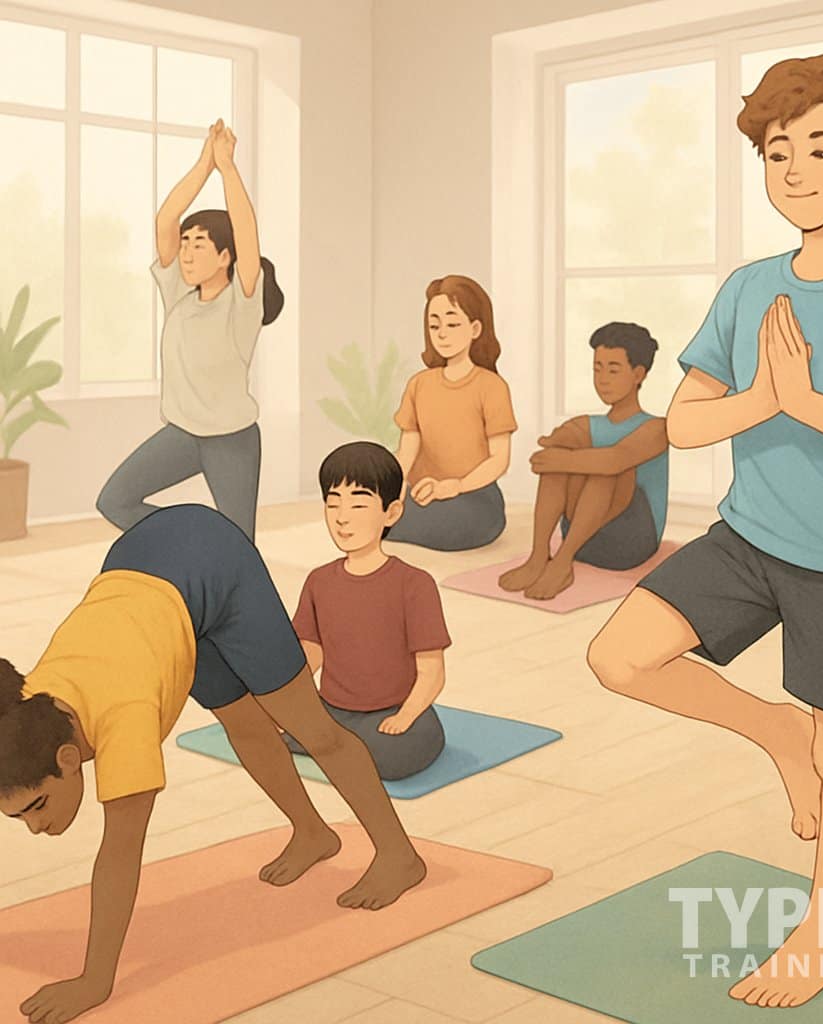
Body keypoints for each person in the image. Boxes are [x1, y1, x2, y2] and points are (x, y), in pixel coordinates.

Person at [586, 52, 823, 1008]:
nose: (794, 170)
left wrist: (806, 400)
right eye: (778, 152)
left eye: (819, 149)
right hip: (746, 538)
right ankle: (774, 733)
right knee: (619, 655)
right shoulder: (750, 287)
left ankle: (821, 937)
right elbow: (686, 419)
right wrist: (766, 396)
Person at [0, 504, 424, 1024]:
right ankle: (314, 832)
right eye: (19, 817)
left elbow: (120, 853)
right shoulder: (24, 708)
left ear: (69, 759)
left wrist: (94, 982)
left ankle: (401, 856)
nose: (37, 826)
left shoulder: (124, 717)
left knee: (312, 729)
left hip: (210, 560)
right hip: (148, 582)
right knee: (244, 723)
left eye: (37, 806)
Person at [96, 119, 284, 542]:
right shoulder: (179, 294)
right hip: (182, 434)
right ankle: (195, 540)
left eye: (198, 244)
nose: (185, 252)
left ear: (224, 257)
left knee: (241, 547)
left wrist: (228, 169)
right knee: (115, 500)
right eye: (184, 244)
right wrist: (204, 164)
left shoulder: (241, 304)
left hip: (231, 440)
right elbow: (166, 218)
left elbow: (248, 233)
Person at [281, 442, 450, 779]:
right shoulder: (319, 581)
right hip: (333, 710)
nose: (342, 517)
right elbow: (309, 654)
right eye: (333, 504)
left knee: (391, 755)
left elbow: (432, 671)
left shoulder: (414, 584)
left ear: (392, 512)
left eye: (358, 504)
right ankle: (336, 740)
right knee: (279, 730)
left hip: (392, 711)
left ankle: (344, 744)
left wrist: (406, 716)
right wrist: (286, 704)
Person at [499, 322, 668, 600]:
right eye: (597, 368)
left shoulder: (656, 428)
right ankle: (540, 556)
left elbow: (614, 461)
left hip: (630, 542)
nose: (603, 379)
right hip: (581, 537)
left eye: (613, 370)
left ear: (638, 374)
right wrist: (561, 452)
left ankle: (562, 562)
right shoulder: (586, 425)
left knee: (608, 468)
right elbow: (547, 453)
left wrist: (565, 457)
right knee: (567, 462)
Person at [388, 275, 517, 551]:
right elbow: (407, 451)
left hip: (472, 496)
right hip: (421, 493)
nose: (442, 333)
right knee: (371, 507)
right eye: (435, 325)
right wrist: (394, 491)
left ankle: (401, 525)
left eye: (452, 323)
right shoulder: (419, 384)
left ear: (475, 328)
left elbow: (499, 460)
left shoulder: (491, 386)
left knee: (451, 523)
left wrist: (455, 486)